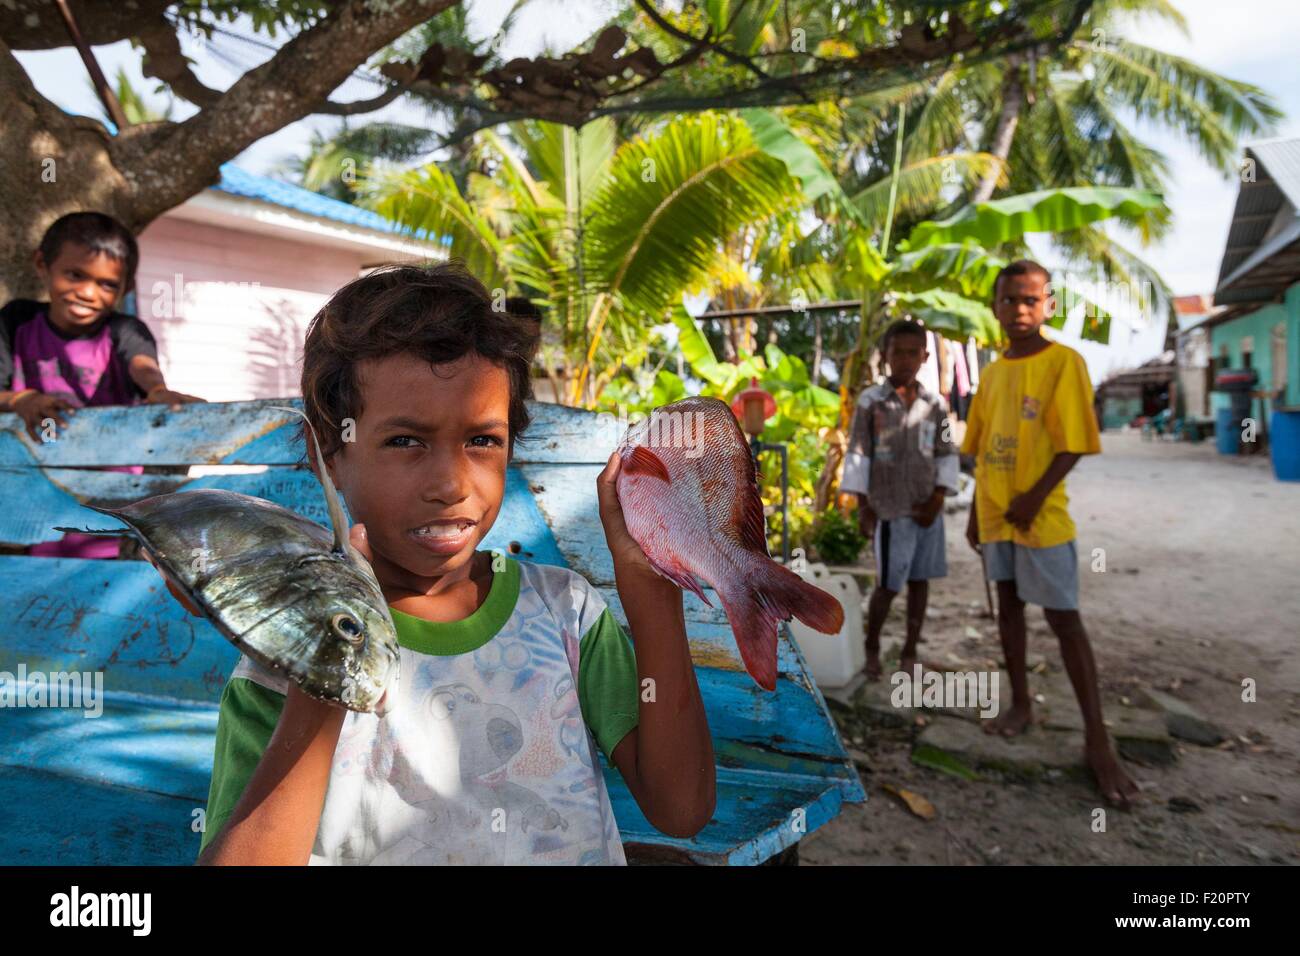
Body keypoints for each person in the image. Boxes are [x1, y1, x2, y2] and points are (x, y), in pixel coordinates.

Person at [165, 262, 714, 865]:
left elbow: (680, 808)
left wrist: (651, 586)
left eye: (482, 440)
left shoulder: (565, 617)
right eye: (405, 441)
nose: (452, 483)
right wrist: (333, 660)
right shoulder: (284, 660)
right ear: (333, 454)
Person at [961, 259, 1139, 807]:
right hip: (995, 514)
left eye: (1030, 300)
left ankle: (1097, 739)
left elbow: (1073, 443)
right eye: (1009, 300)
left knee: (1064, 618)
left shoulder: (1066, 362)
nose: (1019, 310)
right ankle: (1021, 702)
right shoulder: (990, 374)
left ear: (1049, 306)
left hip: (1043, 514)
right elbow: (982, 448)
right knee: (1009, 608)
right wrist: (975, 510)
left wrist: (1034, 497)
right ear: (994, 307)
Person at [0, 212, 203, 558]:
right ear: (42, 264)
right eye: (75, 275)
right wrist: (21, 400)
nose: (88, 293)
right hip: (27, 507)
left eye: (107, 284)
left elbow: (143, 367)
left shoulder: (125, 330)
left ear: (126, 288)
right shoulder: (16, 320)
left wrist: (157, 392)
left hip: (111, 507)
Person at [841, 320, 958, 681]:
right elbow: (859, 452)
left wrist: (939, 497)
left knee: (920, 581)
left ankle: (910, 649)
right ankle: (873, 645)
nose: (905, 360)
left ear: (924, 356)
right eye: (898, 352)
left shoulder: (935, 404)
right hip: (890, 510)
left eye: (913, 353)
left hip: (927, 509)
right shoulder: (871, 402)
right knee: (889, 584)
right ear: (885, 356)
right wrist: (862, 507)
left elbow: (945, 451)